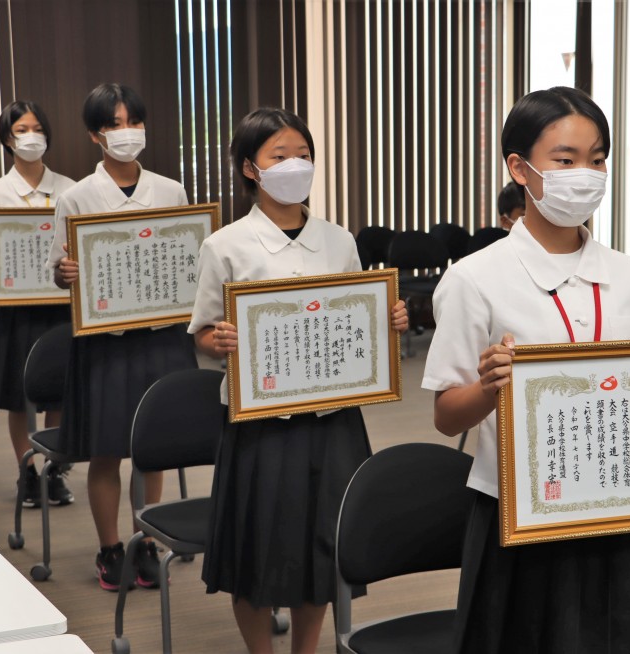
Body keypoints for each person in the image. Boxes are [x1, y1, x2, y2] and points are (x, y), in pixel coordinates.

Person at [422, 86, 630, 653]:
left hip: (619, 510)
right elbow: (446, 416)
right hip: (520, 519)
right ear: (519, 168)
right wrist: (491, 390)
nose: (583, 174)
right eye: (564, 160)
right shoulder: (474, 278)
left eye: (596, 160)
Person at [189, 108, 408, 654]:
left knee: (321, 550)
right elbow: (201, 334)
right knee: (257, 551)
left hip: (332, 421)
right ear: (250, 169)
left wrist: (389, 319)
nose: (295, 165)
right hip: (261, 425)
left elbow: (359, 319)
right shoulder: (226, 246)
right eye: (279, 156)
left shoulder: (339, 242)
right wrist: (219, 341)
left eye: (303, 155)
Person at [48, 83, 197, 592]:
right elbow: (59, 269)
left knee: (151, 446)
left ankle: (146, 540)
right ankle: (111, 548)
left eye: (133, 120)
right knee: (107, 450)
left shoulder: (171, 190)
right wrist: (64, 274)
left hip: (160, 336)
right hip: (106, 340)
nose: (126, 131)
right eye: (113, 123)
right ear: (95, 134)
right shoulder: (75, 197)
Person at [0, 101, 76, 508]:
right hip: (16, 309)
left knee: (57, 391)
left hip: (60, 306)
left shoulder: (71, 188)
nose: (31, 135)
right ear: (6, 139)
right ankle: (26, 473)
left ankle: (52, 470)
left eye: (37, 128)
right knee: (20, 395)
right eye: (21, 129)